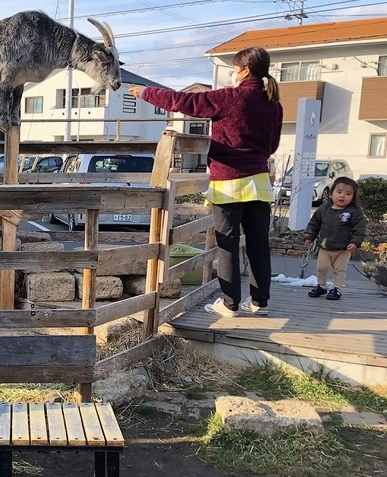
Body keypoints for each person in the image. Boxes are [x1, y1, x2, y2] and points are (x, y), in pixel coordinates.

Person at [128, 46, 283, 317]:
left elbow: (184, 103)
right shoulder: (273, 103)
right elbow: (272, 146)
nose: (233, 74)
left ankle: (230, 303)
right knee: (259, 244)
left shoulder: (231, 98)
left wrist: (145, 92)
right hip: (259, 181)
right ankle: (260, 302)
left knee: (228, 244)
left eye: (235, 69)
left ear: (244, 70)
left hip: (229, 181)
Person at [304, 177, 367, 301]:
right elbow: (314, 224)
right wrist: (309, 237)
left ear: (353, 197)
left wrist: (355, 242)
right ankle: (321, 286)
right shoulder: (323, 209)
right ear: (331, 193)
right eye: (339, 192)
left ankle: (337, 289)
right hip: (325, 246)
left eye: (348, 194)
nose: (342, 196)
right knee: (321, 268)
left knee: (339, 270)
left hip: (343, 248)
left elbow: (359, 230)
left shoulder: (354, 212)